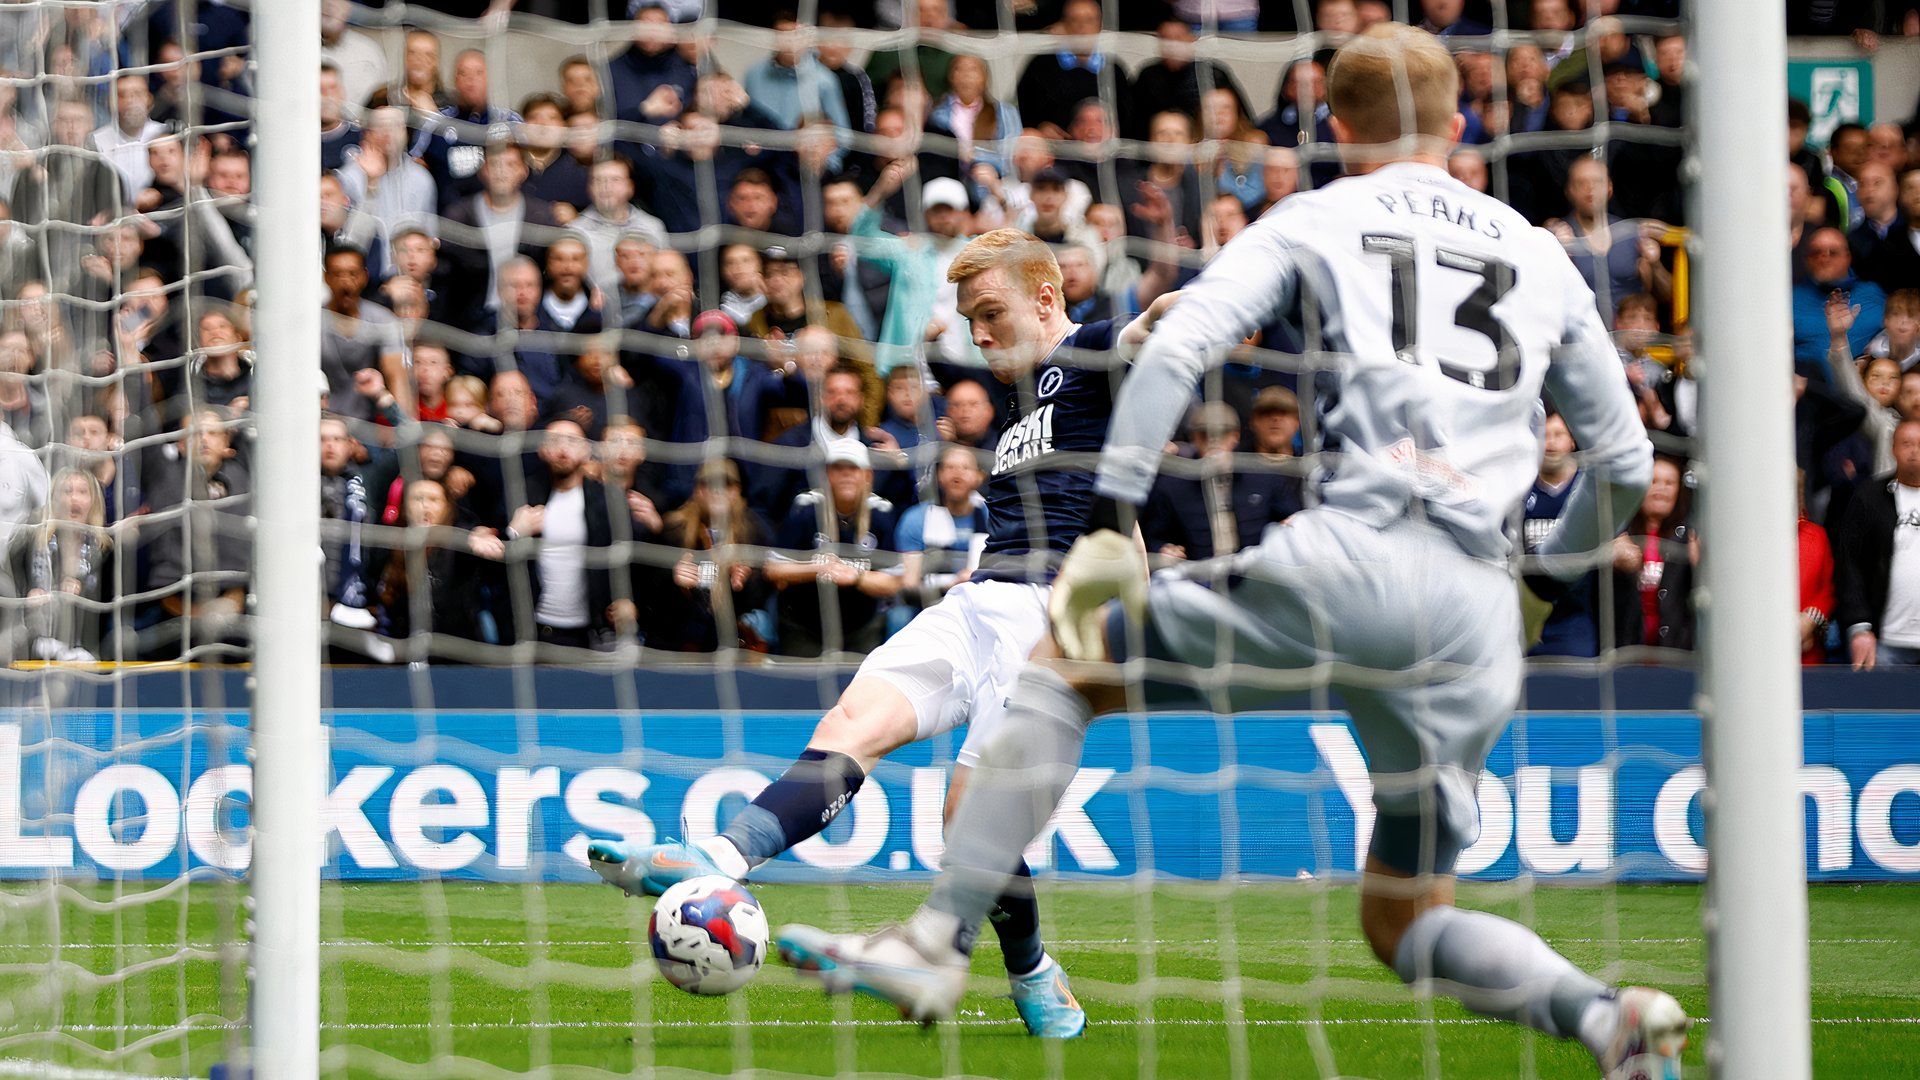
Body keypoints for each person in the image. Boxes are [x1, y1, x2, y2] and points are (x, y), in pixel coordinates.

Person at [777, 27, 1686, 1079]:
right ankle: (1604, 1018)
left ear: (1338, 128)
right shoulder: (1541, 251)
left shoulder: (1322, 213)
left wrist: (1115, 514)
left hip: (1356, 551)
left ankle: (936, 944)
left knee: (1067, 664)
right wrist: (1540, 578)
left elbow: (1186, 342)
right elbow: (1622, 464)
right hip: (1477, 617)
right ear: (1457, 120)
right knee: (1407, 918)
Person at [591, 229, 1182, 1039]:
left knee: (967, 818)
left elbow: (1153, 325)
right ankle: (719, 861)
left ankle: (1034, 972)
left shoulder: (1085, 354)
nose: (978, 334)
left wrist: (1226, 306)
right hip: (979, 603)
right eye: (969, 319)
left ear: (1046, 298)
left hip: (1052, 625)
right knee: (849, 725)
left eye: (990, 313)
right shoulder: (1018, 406)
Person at [1835, 418, 1920, 669]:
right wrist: (1859, 627)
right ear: (1893, 448)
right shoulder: (1868, 498)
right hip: (1884, 644)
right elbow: (1849, 567)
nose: (1914, 450)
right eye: (1906, 443)